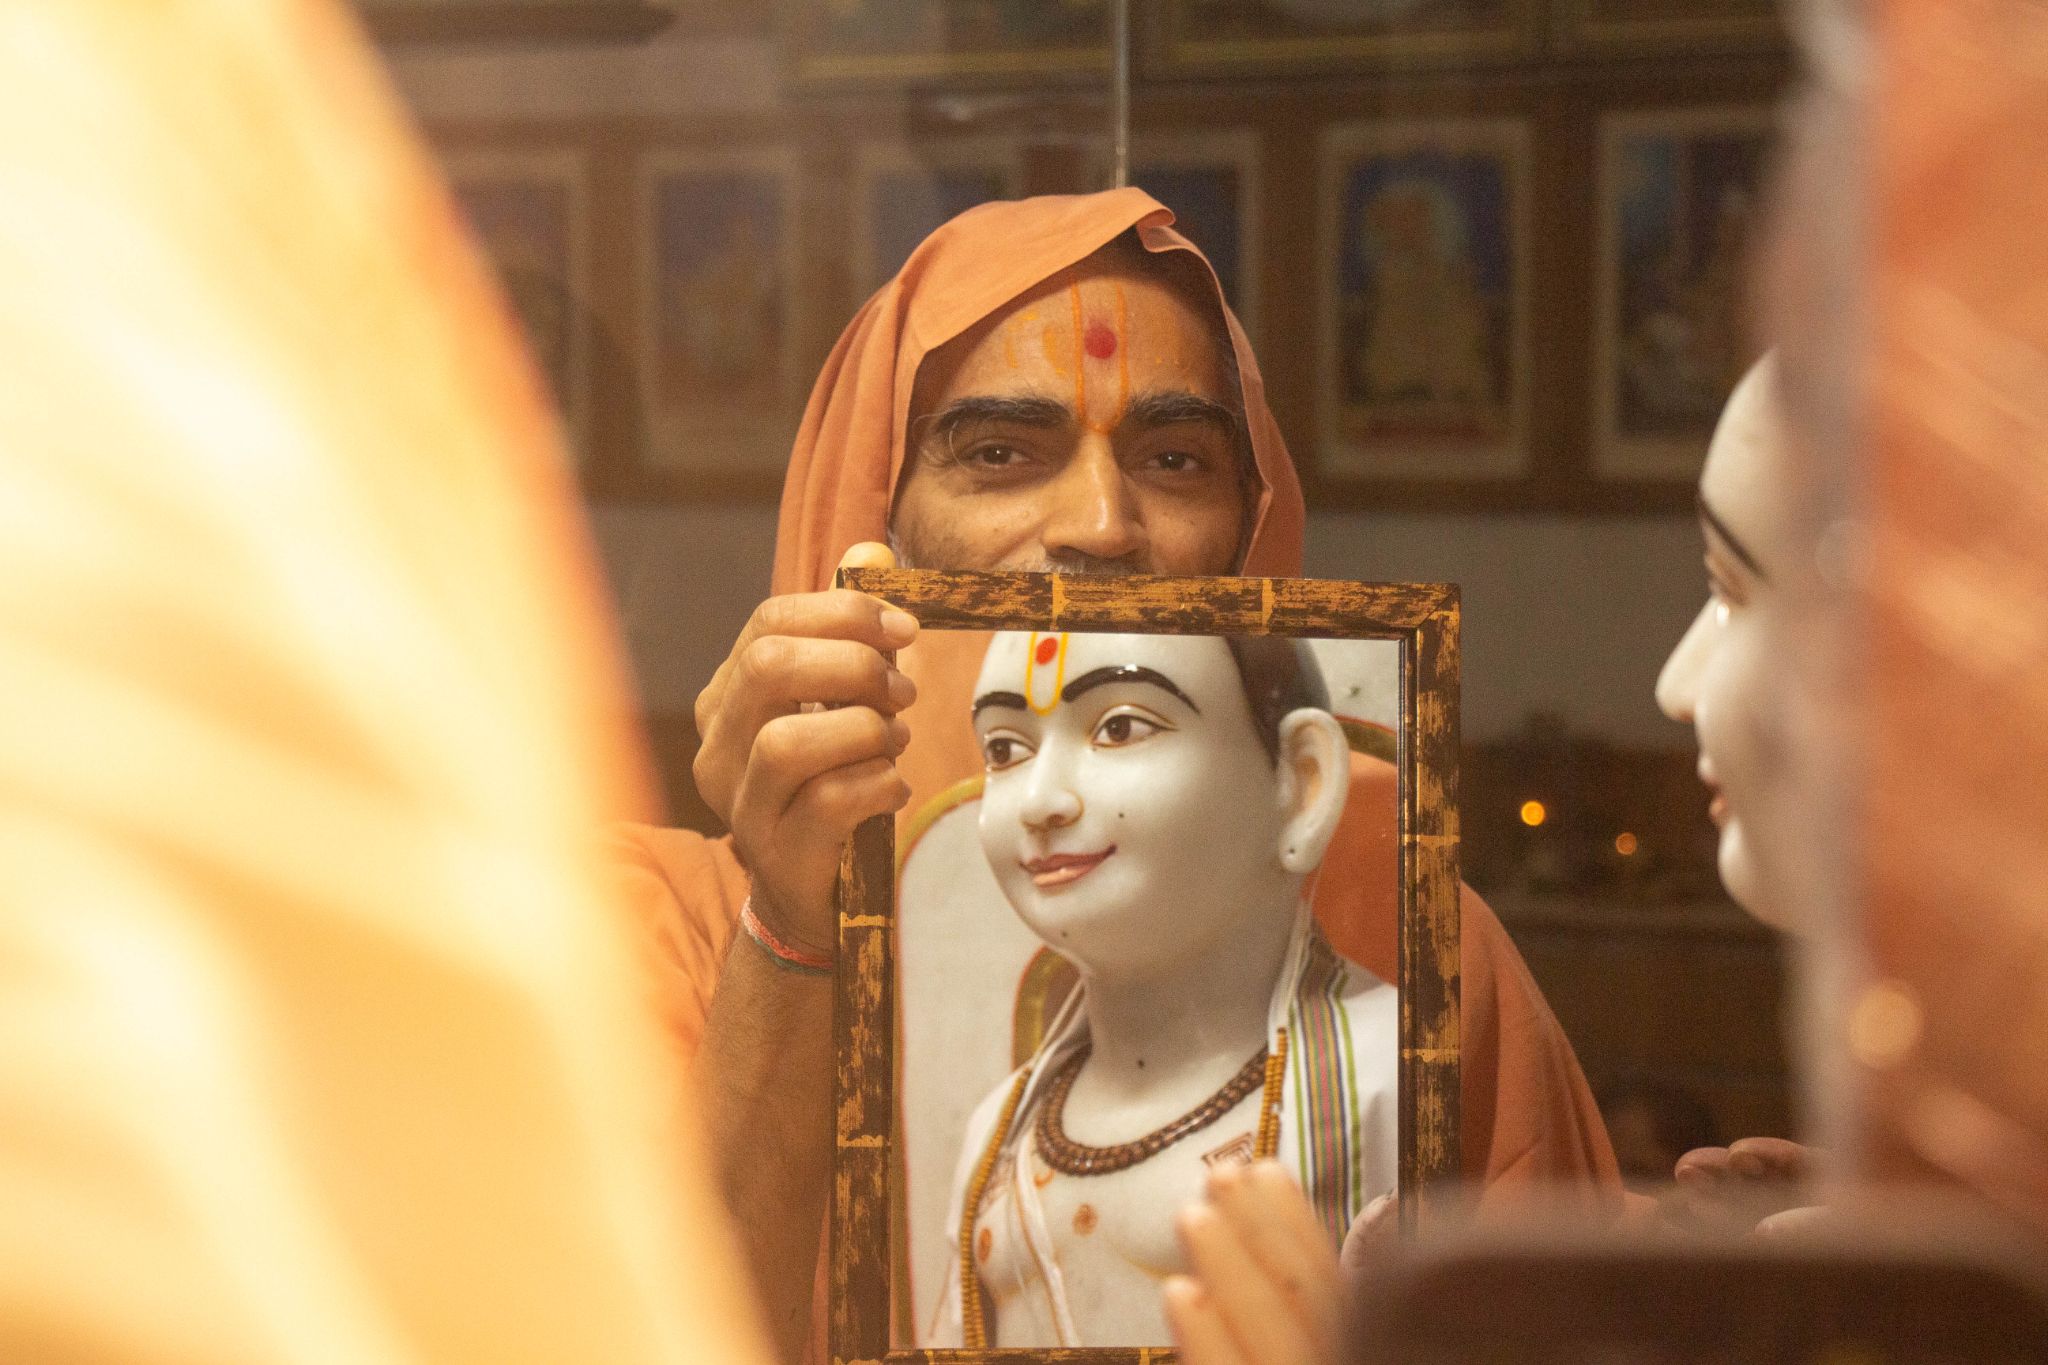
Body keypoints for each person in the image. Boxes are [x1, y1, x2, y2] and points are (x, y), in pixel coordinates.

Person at [612, 190, 1622, 1362]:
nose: (1099, 524)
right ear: (866, 520)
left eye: (1173, 457)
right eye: (999, 453)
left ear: (1244, 533)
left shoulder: (1416, 945)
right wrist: (793, 930)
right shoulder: (660, 931)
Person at [932, 631, 1392, 1346]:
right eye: (1005, 749)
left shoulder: (1390, 1068)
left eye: (1119, 728)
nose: (1041, 800)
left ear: (1300, 783)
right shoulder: (1000, 1130)